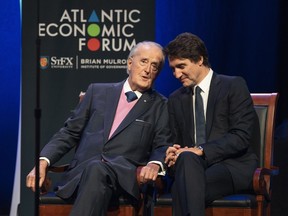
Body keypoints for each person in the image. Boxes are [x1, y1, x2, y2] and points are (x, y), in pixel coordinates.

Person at [26, 41, 172, 215]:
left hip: (123, 180)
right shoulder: (97, 92)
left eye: (154, 66)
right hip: (80, 176)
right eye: (144, 61)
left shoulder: (160, 105)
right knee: (95, 169)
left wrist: (154, 164)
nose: (148, 70)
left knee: (97, 169)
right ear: (130, 63)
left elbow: (162, 144)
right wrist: (43, 160)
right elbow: (69, 132)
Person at [164, 32, 260, 216]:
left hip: (231, 166)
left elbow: (240, 137)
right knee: (186, 164)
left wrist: (200, 149)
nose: (176, 74)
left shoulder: (233, 86)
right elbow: (176, 141)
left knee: (182, 187)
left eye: (181, 66)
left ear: (199, 59)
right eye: (173, 69)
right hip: (191, 167)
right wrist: (172, 152)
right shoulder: (176, 99)